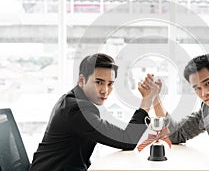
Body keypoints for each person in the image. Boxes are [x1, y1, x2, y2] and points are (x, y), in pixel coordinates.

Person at [29, 53, 159, 171]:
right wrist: (146, 101)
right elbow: (128, 139)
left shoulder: (71, 100)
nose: (105, 90)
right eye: (99, 82)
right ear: (81, 80)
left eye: (110, 84)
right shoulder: (78, 110)